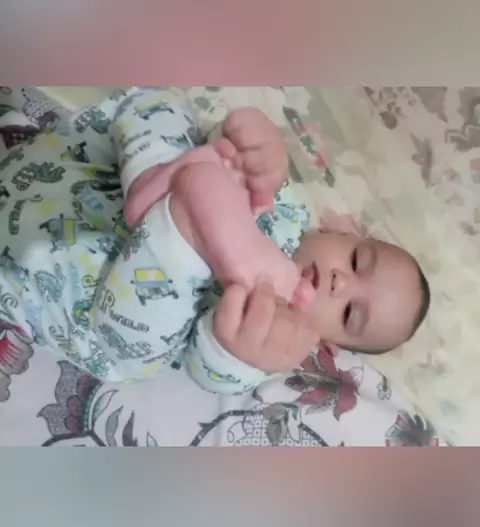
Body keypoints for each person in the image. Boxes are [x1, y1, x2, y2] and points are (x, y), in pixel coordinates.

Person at [0, 88, 430, 393]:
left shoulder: (279, 338)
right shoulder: (286, 206)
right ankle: (158, 184)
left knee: (136, 351)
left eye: (349, 311)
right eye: (355, 261)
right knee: (164, 106)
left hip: (66, 289)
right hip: (65, 180)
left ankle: (184, 227)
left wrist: (236, 351)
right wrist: (256, 150)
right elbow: (222, 149)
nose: (340, 283)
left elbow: (210, 372)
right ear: (339, 233)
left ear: (326, 343)